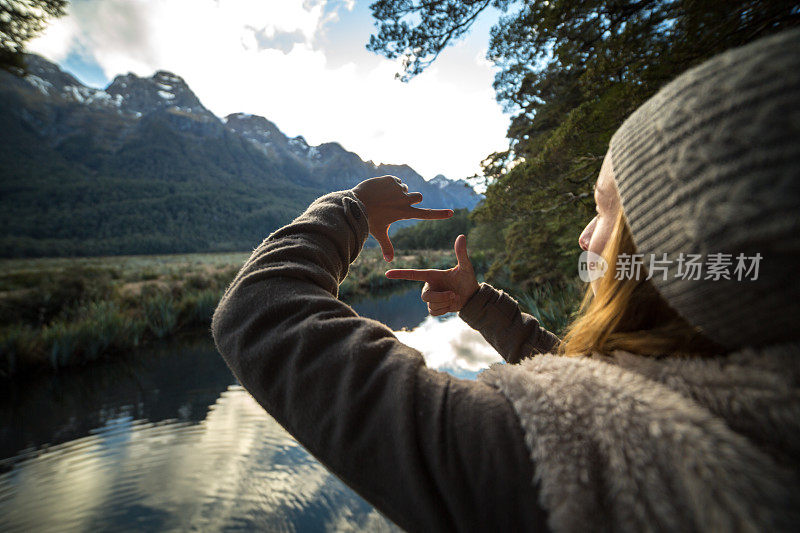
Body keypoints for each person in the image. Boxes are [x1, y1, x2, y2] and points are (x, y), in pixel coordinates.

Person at [212, 28, 800, 532]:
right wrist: (480, 304)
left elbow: (258, 312)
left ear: (676, 247)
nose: (585, 237)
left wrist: (353, 210)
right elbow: (599, 379)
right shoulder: (757, 397)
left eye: (605, 210)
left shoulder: (567, 458)